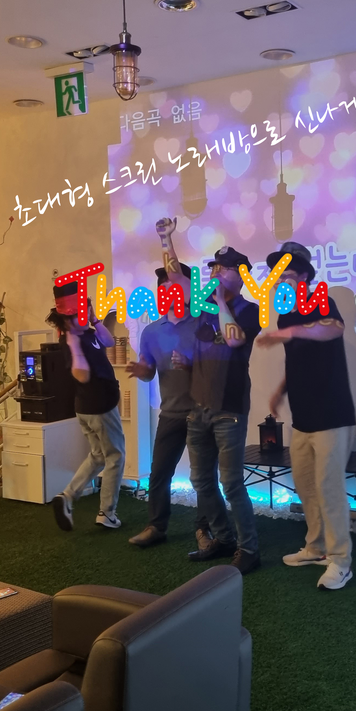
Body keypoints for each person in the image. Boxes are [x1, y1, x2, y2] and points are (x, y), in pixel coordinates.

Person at [161, 218, 261, 575]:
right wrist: (166, 239)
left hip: (229, 409)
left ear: (241, 275)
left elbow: (233, 340)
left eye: (223, 268)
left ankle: (250, 549)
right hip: (197, 408)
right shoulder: (202, 306)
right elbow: (176, 278)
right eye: (214, 267)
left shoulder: (250, 310)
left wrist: (219, 301)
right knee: (200, 481)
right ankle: (223, 538)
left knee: (230, 483)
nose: (215, 272)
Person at [257, 242, 356, 590]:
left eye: (286, 274)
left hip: (332, 414)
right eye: (277, 275)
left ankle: (341, 561)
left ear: (304, 278)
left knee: (330, 488)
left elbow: (333, 328)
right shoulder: (286, 315)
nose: (279, 281)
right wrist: (280, 390)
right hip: (302, 417)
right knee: (306, 486)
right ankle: (316, 548)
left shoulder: (321, 301)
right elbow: (298, 359)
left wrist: (291, 331)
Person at [126, 235, 213, 551]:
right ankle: (156, 526)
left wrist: (191, 364)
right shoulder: (152, 331)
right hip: (170, 413)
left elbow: (216, 368)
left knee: (202, 477)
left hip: (202, 413)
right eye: (163, 289)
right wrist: (141, 370)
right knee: (159, 473)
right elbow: (149, 370)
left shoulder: (204, 323)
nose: (168, 293)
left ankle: (205, 530)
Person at [47, 281, 125, 531]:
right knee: (115, 456)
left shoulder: (87, 333)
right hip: (99, 407)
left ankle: (67, 496)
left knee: (98, 455)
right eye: (81, 313)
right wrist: (73, 346)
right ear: (67, 319)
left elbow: (109, 342)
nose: (85, 315)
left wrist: (95, 320)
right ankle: (107, 513)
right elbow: (81, 375)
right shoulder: (71, 342)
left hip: (91, 407)